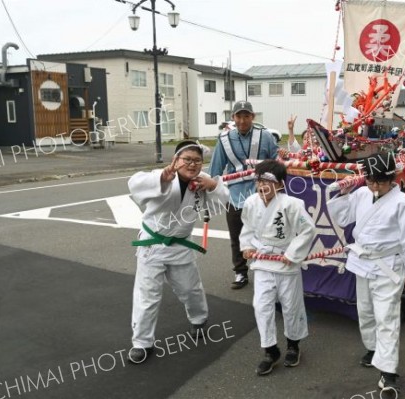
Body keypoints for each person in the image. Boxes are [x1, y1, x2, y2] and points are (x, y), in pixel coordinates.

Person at [327, 153, 405, 396]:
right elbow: (343, 217)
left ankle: (388, 372)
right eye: (371, 181)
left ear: (392, 178)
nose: (375, 187)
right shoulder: (363, 193)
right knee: (365, 311)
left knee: (387, 316)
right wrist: (344, 192)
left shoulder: (403, 203)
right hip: (362, 262)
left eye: (380, 182)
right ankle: (373, 348)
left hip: (388, 265)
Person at [127, 140, 229, 364]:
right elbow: (134, 184)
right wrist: (161, 179)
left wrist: (213, 185)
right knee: (147, 296)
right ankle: (142, 342)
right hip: (152, 245)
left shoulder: (201, 183)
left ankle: (199, 319)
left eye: (197, 161)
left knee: (190, 289)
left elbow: (220, 205)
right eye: (187, 160)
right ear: (176, 160)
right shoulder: (161, 175)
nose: (192, 165)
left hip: (181, 245)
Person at [240, 160, 316, 376]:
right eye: (259, 180)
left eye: (268, 181)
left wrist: (292, 254)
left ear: (280, 184)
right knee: (261, 306)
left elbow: (307, 230)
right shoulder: (251, 202)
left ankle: (293, 345)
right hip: (263, 260)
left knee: (291, 306)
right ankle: (270, 350)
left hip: (285, 260)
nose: (262, 185)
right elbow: (247, 228)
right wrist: (246, 246)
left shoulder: (292, 204)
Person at [209, 101, 278, 289]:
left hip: (263, 193)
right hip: (235, 195)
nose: (242, 120)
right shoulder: (224, 139)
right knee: (237, 235)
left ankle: (268, 269)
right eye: (238, 116)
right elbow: (215, 168)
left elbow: (277, 162)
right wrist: (208, 190)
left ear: (253, 117)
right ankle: (240, 272)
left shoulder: (265, 136)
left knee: (267, 233)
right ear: (233, 118)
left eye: (246, 116)